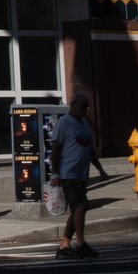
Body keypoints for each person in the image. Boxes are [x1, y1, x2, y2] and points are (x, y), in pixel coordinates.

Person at [50, 93, 99, 259]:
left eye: (87, 108)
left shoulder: (84, 123)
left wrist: (100, 169)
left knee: (76, 210)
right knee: (81, 205)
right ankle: (81, 243)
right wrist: (55, 173)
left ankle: (64, 245)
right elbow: (55, 150)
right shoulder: (64, 123)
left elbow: (89, 149)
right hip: (68, 174)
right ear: (72, 106)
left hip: (82, 174)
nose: (85, 111)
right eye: (82, 107)